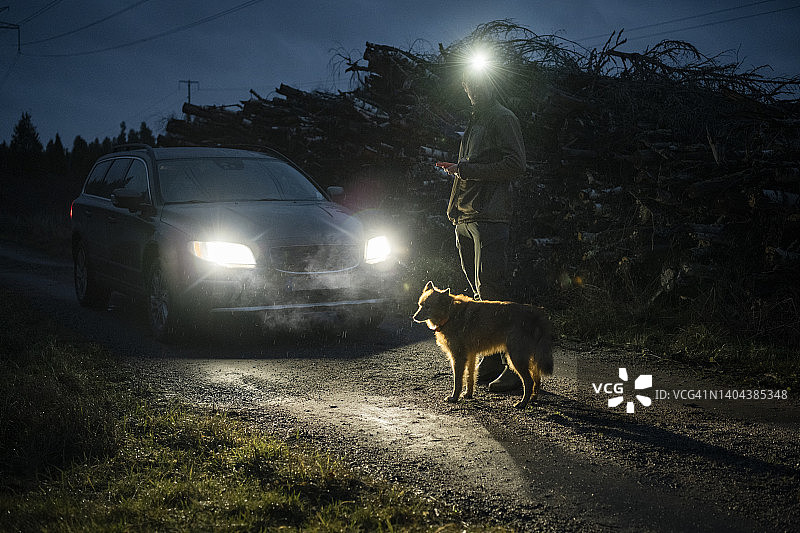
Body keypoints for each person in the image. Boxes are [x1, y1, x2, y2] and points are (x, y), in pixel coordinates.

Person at [436, 62, 526, 393]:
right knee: (478, 291)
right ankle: (491, 359)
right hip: (465, 215)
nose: (471, 91)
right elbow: (468, 168)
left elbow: (516, 164)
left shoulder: (503, 117)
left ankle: (516, 372)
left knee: (492, 291)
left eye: (475, 85)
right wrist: (459, 181)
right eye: (466, 86)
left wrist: (468, 170)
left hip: (490, 216)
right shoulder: (476, 120)